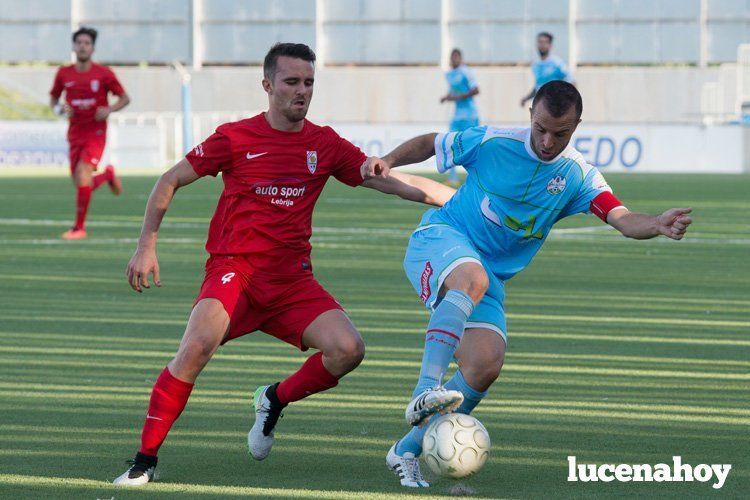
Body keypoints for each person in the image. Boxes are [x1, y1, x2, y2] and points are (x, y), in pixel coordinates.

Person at [113, 42, 455, 486]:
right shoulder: (235, 137)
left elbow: (390, 180)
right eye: (292, 82)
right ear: (268, 85)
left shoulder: (324, 144)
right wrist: (146, 244)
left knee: (348, 350)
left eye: (309, 82)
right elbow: (170, 179)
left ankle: (274, 399)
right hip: (236, 272)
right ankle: (144, 461)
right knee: (196, 347)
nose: (302, 91)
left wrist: (458, 201)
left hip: (292, 282)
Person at [374, 80, 693, 488]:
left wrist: (656, 223)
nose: (546, 141)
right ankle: (424, 390)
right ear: (530, 116)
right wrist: (388, 159)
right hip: (440, 239)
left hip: (486, 275)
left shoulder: (578, 176)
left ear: (576, 125)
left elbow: (622, 218)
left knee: (485, 364)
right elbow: (431, 143)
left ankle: (406, 449)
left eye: (559, 133)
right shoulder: (492, 141)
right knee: (472, 276)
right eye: (540, 128)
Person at [50, 26, 130, 240]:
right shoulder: (63, 73)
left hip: (95, 131)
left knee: (84, 173)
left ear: (92, 48)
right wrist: (60, 109)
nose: (82, 46)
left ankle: (79, 228)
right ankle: (107, 174)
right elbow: (54, 100)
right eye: (79, 43)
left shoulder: (103, 73)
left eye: (87, 43)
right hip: (74, 132)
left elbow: (124, 98)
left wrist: (110, 109)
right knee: (80, 182)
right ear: (74, 46)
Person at [440, 48, 479, 187]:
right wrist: (446, 97)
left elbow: (476, 90)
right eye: (452, 57)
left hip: (470, 115)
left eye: (457, 57)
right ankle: (453, 178)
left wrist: (458, 97)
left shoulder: (466, 71)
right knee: (450, 144)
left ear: (461, 58)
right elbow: (453, 91)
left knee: (473, 147)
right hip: (457, 116)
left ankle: (477, 177)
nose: (454, 59)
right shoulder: (449, 74)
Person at [520, 32, 575, 108]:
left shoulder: (557, 63)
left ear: (550, 45)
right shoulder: (536, 65)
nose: (542, 45)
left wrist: (570, 103)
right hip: (541, 106)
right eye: (540, 42)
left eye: (545, 42)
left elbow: (572, 82)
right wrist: (526, 98)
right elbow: (538, 87)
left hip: (556, 107)